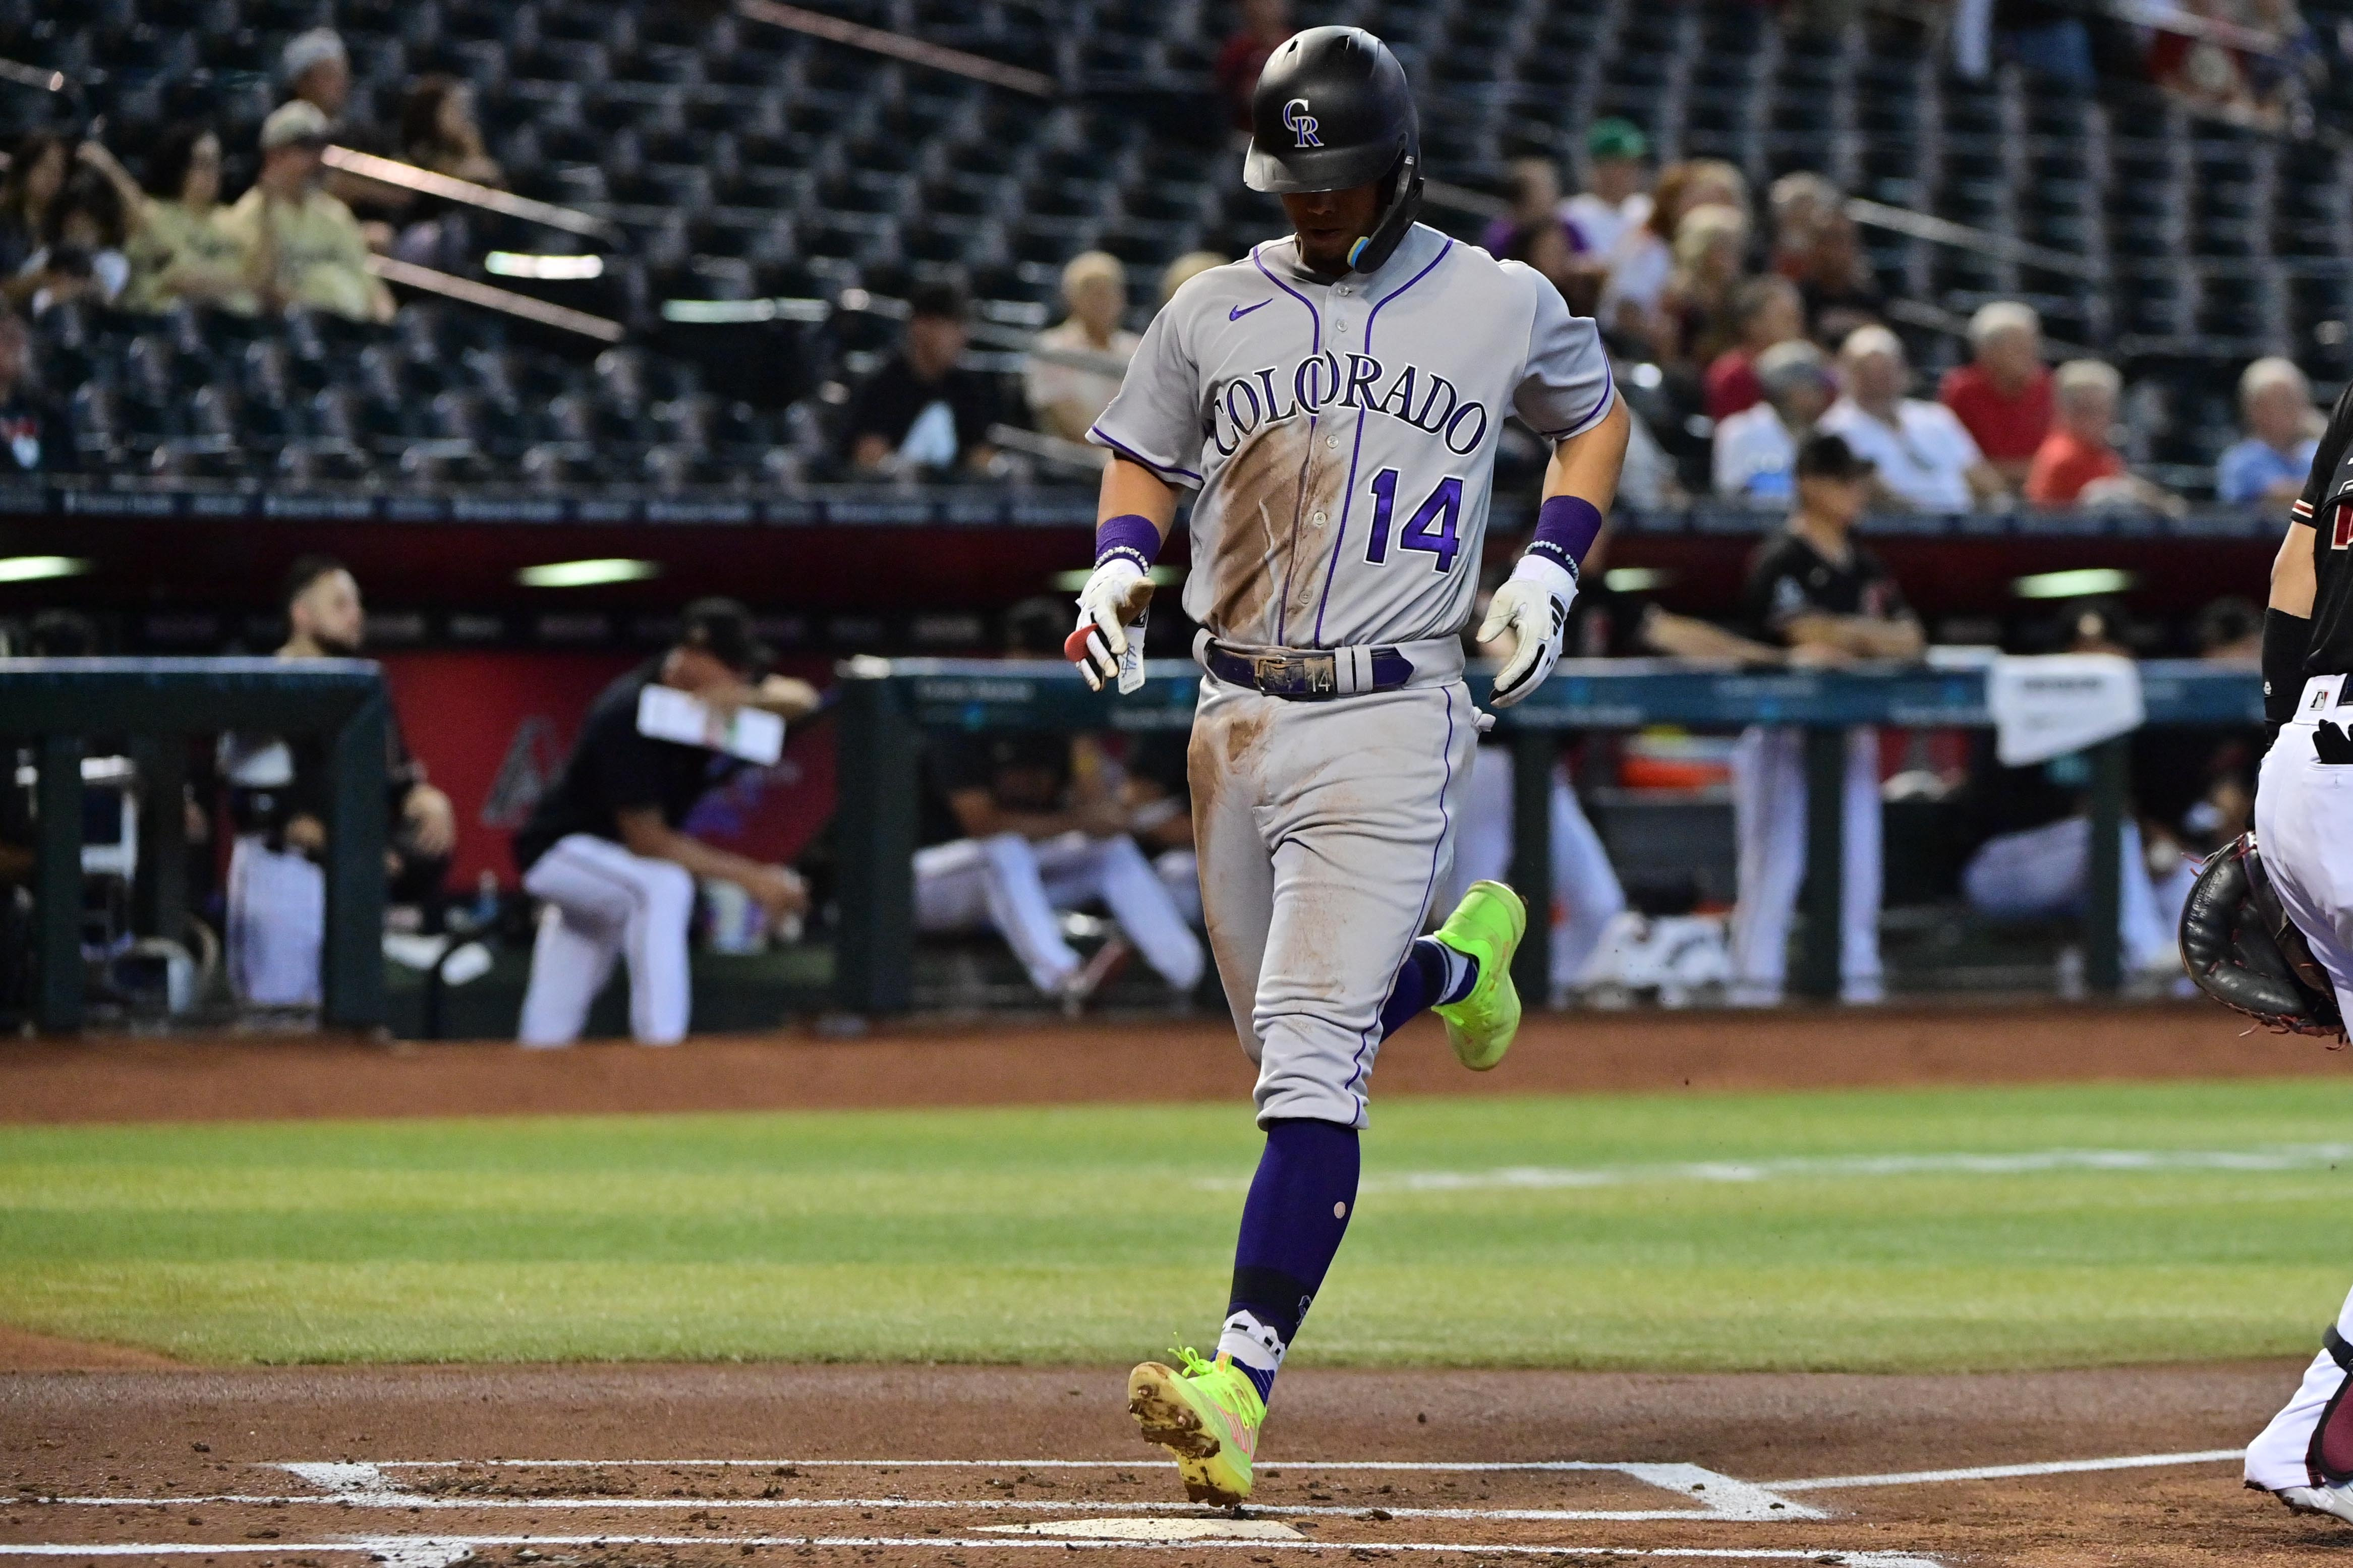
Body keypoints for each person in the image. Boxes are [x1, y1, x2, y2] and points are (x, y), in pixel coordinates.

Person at [1068, 24, 1626, 1506]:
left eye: (1333, 182)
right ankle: (1457, 972)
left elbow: (1593, 421)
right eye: (1288, 182)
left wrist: (1551, 573)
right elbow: (1141, 453)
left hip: (1394, 711)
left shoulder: (1499, 299)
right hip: (1229, 715)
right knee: (1291, 1049)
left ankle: (1237, 1380)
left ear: (1397, 171)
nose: (1305, 206)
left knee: (1312, 1059)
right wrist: (1117, 568)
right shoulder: (1206, 309)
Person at [2234, 356, 2353, 1529]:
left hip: (2305, 762)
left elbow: (2292, 567)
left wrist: (2286, 813)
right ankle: (2321, 1445)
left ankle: (2314, 1436)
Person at [512, 600, 816, 1048]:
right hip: (563, 851)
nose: (740, 676)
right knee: (662, 886)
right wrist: (754, 879)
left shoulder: (701, 708)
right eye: (731, 667)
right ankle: (662, 1049)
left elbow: (804, 698)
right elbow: (647, 841)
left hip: (611, 868)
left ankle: (530, 1076)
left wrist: (746, 698)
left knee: (550, 1026)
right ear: (691, 656)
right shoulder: (628, 709)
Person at [915, 602, 1205, 1005]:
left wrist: (1078, 735)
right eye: (1039, 657)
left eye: (1060, 657)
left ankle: (1186, 972)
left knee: (1110, 850)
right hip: (928, 883)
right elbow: (982, 824)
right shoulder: (966, 712)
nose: (1052, 669)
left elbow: (1097, 812)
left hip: (1014, 889)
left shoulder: (1060, 722)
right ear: (1012, 657)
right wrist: (1079, 820)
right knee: (1006, 849)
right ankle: (1064, 977)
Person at [1727, 434, 1923, 1007]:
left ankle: (1857, 996)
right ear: (1810, 483)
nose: (1856, 491)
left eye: (1859, 479)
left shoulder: (1865, 563)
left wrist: (1848, 635)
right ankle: (1751, 995)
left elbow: (1910, 639)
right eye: (1844, 480)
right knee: (1774, 873)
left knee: (1859, 878)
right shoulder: (1780, 556)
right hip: (1781, 731)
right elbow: (1801, 633)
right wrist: (1862, 637)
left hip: (1852, 734)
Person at [221, 558, 456, 1007]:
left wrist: (427, 799)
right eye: (341, 604)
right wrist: (350, 847)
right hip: (283, 876)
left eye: (358, 604)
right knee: (279, 1020)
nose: (356, 615)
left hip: (349, 875)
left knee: (351, 1023)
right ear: (302, 615)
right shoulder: (262, 685)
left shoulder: (365, 685)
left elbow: (397, 776)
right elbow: (257, 806)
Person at [220, 101, 396, 324]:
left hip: (354, 334)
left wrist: (386, 325)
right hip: (295, 333)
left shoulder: (335, 214)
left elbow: (371, 285)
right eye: (306, 147)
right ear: (275, 156)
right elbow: (258, 290)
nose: (317, 159)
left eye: (320, 147)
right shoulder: (251, 214)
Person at [1819, 324, 2006, 511]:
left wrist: (2000, 505)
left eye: (1886, 368)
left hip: (1961, 530)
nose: (1877, 378)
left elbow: (1980, 476)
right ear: (1846, 373)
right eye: (1866, 369)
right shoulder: (1834, 431)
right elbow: (1867, 492)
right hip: (1891, 532)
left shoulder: (1937, 418)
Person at [79, 126, 262, 316]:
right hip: (169, 325)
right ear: (181, 167)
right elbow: (179, 280)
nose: (213, 173)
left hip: (238, 325)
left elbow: (260, 279)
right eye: (203, 163)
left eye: (216, 164)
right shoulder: (157, 214)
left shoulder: (233, 219)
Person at [841, 281, 1001, 475]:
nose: (962, 338)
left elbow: (981, 455)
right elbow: (868, 457)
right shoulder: (884, 386)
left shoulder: (965, 388)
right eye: (952, 326)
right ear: (921, 327)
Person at [1598, 158, 1747, 355]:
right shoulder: (1648, 247)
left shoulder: (1719, 251)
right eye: (1697, 198)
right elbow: (1626, 312)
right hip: (1631, 347)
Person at [2024, 359, 2179, 512]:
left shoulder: (2099, 452)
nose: (2097, 419)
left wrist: (2163, 502)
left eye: (2103, 410)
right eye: (2084, 410)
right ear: (2064, 412)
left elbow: (2125, 483)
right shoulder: (2063, 455)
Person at [1025, 251, 1139, 444]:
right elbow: (1068, 421)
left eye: (1109, 291)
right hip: (1075, 462)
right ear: (1071, 298)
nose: (1102, 301)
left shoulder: (1138, 348)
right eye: (1092, 292)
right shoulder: (1052, 349)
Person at [1936, 301, 2051, 488]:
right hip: (1982, 495)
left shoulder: (2047, 386)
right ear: (1986, 353)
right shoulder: (1962, 391)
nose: (2029, 353)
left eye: (2031, 344)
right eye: (2017, 347)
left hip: (2043, 492)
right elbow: (1954, 460)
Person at [1713, 338, 1837, 503]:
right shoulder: (1739, 431)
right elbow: (1729, 495)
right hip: (1754, 525)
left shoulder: (1826, 433)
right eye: (1813, 388)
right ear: (1789, 390)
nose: (1821, 396)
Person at [2218, 356, 2323, 506]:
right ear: (2253, 409)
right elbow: (2273, 496)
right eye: (2280, 402)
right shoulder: (2240, 460)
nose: (2290, 410)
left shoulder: (2317, 454)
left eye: (2295, 401)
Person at [1657, 202, 1749, 369]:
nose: (1733, 256)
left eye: (1736, 248)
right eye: (1724, 248)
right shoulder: (1678, 297)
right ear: (1702, 249)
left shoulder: (1739, 295)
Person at [1704, 275, 1805, 422]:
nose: (1795, 327)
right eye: (1784, 318)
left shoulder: (1807, 366)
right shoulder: (1733, 374)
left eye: (1795, 318)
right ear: (1753, 325)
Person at [1563, 118, 1651, 259]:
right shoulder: (1572, 215)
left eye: (1634, 164)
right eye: (1620, 164)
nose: (1631, 172)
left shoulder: (1647, 210)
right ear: (1599, 168)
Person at [397, 76, 504, 188]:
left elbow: (490, 175)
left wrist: (473, 148)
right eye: (453, 108)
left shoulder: (464, 143)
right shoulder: (419, 152)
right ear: (433, 113)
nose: (462, 116)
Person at [0, 310, 70, 474]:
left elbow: (64, 475)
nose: (17, 349)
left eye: (20, 339)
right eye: (7, 339)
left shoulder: (47, 412)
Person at [0, 134, 70, 299]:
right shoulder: (4, 217)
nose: (52, 177)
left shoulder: (61, 227)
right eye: (44, 166)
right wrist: (39, 280)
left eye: (59, 171)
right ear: (26, 168)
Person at [1214, 0, 1291, 135]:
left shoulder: (1299, 46)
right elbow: (1220, 92)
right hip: (1240, 135)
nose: (1263, 9)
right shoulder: (1237, 48)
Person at [1478, 157, 1574, 260]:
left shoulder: (1566, 229)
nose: (1555, 194)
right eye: (1545, 189)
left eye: (1553, 186)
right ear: (1522, 194)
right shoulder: (1502, 238)